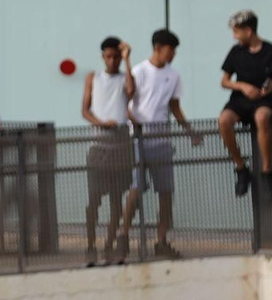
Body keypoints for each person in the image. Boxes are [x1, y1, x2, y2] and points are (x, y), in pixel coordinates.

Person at [116, 29, 202, 264]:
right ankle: (123, 236)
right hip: (139, 141)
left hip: (162, 141)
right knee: (136, 189)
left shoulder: (173, 76)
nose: (173, 54)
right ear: (158, 48)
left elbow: (175, 107)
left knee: (166, 193)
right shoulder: (139, 71)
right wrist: (134, 122)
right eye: (170, 49)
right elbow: (126, 102)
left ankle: (161, 241)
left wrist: (190, 131)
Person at [218, 11, 272, 201]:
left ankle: (267, 170)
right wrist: (242, 86)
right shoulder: (236, 52)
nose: (234, 37)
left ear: (248, 31)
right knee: (224, 121)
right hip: (240, 99)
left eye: (237, 32)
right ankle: (241, 167)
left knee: (262, 117)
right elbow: (224, 81)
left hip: (264, 99)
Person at [81, 38, 135, 267]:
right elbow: (85, 110)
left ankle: (109, 246)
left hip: (121, 146)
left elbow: (131, 92)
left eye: (116, 56)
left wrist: (128, 59)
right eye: (109, 56)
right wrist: (101, 123)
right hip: (99, 147)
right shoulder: (93, 77)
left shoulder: (125, 78)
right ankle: (90, 245)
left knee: (116, 201)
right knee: (94, 200)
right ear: (103, 56)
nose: (113, 60)